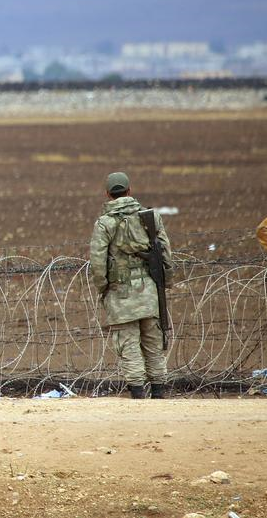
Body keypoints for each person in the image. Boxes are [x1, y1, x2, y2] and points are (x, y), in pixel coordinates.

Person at [88, 171, 175, 399]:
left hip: (120, 292)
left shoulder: (105, 223)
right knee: (154, 344)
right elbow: (165, 252)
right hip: (150, 290)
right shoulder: (150, 217)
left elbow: (97, 262)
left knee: (128, 346)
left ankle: (137, 395)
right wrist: (166, 281)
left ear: (107, 194)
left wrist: (103, 287)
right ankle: (159, 393)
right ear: (129, 190)